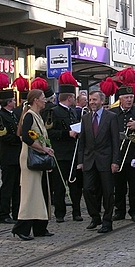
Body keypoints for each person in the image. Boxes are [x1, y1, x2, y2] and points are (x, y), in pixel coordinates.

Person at [12, 89, 55, 241]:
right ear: (36, 100)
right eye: (43, 98)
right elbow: (25, 137)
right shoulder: (29, 115)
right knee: (31, 194)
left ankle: (40, 227)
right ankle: (21, 227)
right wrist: (43, 149)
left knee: (41, 192)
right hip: (30, 159)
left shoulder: (36, 115)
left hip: (38, 157)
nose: (45, 100)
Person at [77, 90, 120, 234]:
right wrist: (80, 161)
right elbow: (82, 141)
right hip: (89, 160)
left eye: (95, 100)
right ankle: (95, 217)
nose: (92, 102)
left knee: (108, 192)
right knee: (88, 189)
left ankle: (107, 221)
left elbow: (115, 141)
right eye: (90, 100)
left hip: (106, 161)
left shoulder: (111, 117)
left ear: (102, 101)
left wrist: (115, 161)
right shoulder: (85, 118)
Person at [46, 74, 83, 223]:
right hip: (60, 154)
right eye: (74, 98)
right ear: (69, 98)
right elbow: (49, 132)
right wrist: (67, 133)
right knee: (59, 185)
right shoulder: (53, 112)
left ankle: (76, 212)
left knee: (75, 185)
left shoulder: (73, 112)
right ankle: (60, 213)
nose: (75, 100)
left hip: (73, 154)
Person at [109, 84, 135, 222]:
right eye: (126, 97)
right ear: (120, 99)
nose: (129, 100)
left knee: (134, 186)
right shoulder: (113, 112)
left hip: (133, 154)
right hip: (118, 155)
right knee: (119, 186)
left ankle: (134, 211)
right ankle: (119, 210)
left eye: (131, 97)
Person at [0, 89, 21, 224]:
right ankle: (4, 214)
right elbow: (4, 136)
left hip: (17, 156)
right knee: (8, 186)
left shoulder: (13, 115)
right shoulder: (0, 117)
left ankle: (16, 212)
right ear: (8, 102)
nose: (15, 102)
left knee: (17, 186)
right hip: (8, 156)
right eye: (12, 100)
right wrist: (19, 139)